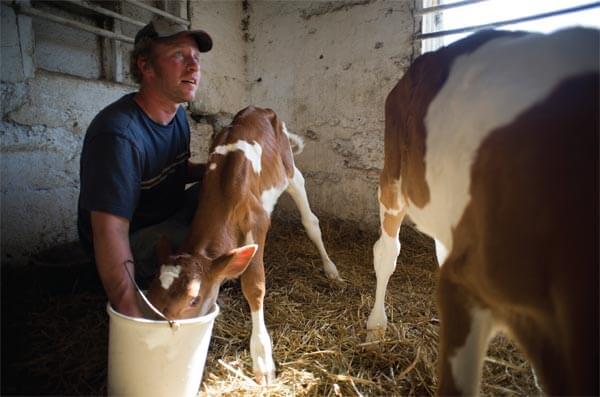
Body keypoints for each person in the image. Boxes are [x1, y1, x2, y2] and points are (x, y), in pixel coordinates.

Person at [77, 17, 212, 317]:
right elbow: (110, 232)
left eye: (196, 58)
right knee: (213, 240)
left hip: (168, 216)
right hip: (133, 238)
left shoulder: (176, 115)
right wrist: (129, 310)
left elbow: (176, 171)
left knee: (223, 198)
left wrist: (216, 170)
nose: (193, 67)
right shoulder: (118, 134)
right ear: (145, 66)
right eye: (179, 55)